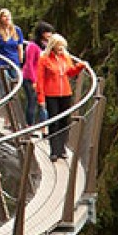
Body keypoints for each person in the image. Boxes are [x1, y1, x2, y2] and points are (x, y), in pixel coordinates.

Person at [39, 33, 83, 161]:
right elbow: (40, 79)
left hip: (65, 93)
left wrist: (80, 66)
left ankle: (62, 148)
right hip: (51, 94)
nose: (61, 50)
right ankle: (54, 150)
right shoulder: (44, 59)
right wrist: (41, 98)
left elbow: (70, 73)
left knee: (65, 121)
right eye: (59, 48)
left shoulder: (65, 57)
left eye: (62, 48)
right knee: (54, 121)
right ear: (52, 47)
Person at [0, 9, 27, 114]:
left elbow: (20, 48)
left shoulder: (17, 30)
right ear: (0, 19)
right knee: (4, 90)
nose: (7, 18)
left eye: (8, 15)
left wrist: (21, 64)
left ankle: (12, 116)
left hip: (14, 63)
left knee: (14, 91)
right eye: (4, 16)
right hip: (1, 64)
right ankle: (7, 117)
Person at [21, 22, 51, 126]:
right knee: (32, 101)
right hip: (29, 77)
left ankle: (40, 126)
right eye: (47, 32)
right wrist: (34, 80)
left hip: (39, 78)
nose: (49, 34)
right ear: (42, 33)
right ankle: (30, 126)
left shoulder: (44, 45)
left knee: (41, 103)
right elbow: (29, 64)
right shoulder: (32, 46)